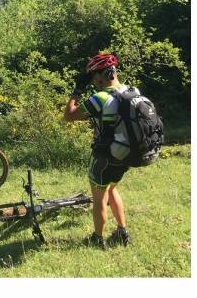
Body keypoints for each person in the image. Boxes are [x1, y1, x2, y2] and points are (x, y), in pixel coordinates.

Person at [63, 53, 132, 249]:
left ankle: (97, 239)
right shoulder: (131, 91)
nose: (93, 81)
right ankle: (122, 231)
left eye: (95, 76)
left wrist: (77, 91)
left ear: (105, 74)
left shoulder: (100, 98)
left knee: (99, 197)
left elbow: (68, 115)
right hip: (126, 153)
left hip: (105, 155)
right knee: (112, 188)